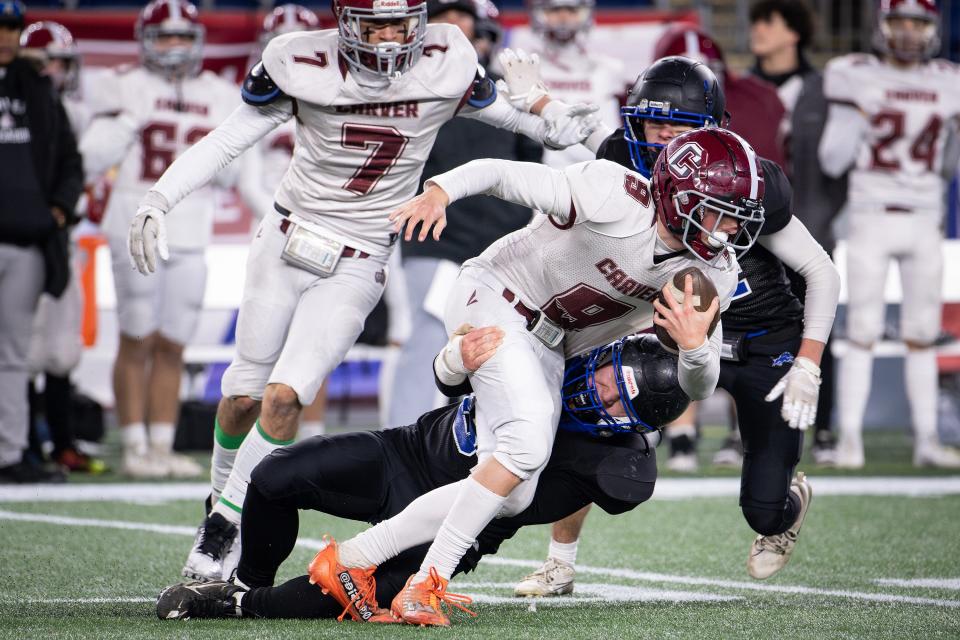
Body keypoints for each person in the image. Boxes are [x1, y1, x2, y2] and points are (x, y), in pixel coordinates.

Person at [125, 0, 601, 581]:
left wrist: (547, 108)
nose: (390, 37)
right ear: (344, 22)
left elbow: (535, 127)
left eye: (402, 23)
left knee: (285, 396)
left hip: (360, 255)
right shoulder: (299, 59)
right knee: (243, 395)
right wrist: (159, 198)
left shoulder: (445, 58)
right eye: (375, 23)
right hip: (284, 240)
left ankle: (224, 520)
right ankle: (221, 493)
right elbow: (228, 140)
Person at [310, 123, 763, 626]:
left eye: (736, 219)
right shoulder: (612, 192)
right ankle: (424, 584)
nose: (727, 231)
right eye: (719, 213)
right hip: (497, 294)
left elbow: (698, 386)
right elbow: (500, 173)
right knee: (526, 446)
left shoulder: (715, 272)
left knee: (516, 492)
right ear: (678, 196)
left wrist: (696, 347)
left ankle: (351, 559)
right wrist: (441, 190)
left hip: (549, 345)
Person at [513, 55, 839, 596]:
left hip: (760, 337)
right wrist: (539, 101)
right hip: (666, 330)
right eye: (653, 123)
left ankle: (786, 505)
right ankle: (560, 562)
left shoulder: (747, 178)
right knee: (598, 417)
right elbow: (585, 132)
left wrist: (807, 361)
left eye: (679, 127)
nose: (663, 140)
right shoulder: (625, 153)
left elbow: (820, 270)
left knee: (763, 510)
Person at [155, 329, 690, 621]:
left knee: (346, 594)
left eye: (620, 400)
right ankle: (250, 577)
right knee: (273, 476)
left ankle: (238, 603)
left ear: (634, 426)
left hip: (453, 526)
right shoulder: (557, 344)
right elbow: (450, 379)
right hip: (407, 452)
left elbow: (498, 499)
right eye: (608, 377)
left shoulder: (617, 466)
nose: (600, 393)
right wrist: (458, 355)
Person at [79, 0, 240, 479]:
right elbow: (90, 158)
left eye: (182, 37)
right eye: (164, 36)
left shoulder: (218, 93)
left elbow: (230, 175)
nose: (174, 47)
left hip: (191, 229)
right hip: (134, 222)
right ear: (145, 40)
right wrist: (130, 119)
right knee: (137, 337)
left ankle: (161, 445)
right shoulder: (121, 84)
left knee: (173, 342)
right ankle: (133, 444)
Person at [820, 0, 960, 469]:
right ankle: (851, 442)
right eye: (898, 20)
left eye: (917, 22)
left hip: (924, 216)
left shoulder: (949, 80)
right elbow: (832, 160)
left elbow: (948, 165)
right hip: (870, 212)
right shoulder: (854, 73)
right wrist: (858, 116)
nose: (907, 31)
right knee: (861, 330)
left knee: (921, 332)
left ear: (931, 28)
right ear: (881, 26)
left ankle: (925, 442)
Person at [389, 0, 543, 426]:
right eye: (447, 24)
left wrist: (540, 105)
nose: (462, 38)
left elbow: (532, 166)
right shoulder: (409, 91)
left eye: (469, 30)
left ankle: (490, 441)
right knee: (426, 339)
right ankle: (405, 439)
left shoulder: (504, 95)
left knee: (502, 347)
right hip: (435, 241)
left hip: (500, 249)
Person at [648, 24, 789, 471]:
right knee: (668, 314)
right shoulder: (624, 151)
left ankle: (733, 432)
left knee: (733, 320)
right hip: (664, 253)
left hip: (731, 253)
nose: (669, 131)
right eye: (661, 119)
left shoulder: (744, 157)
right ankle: (678, 431)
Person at [748, 0, 847, 466]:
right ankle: (743, 431)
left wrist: (830, 217)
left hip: (808, 219)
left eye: (768, 22)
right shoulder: (739, 89)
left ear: (795, 32)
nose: (757, 31)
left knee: (818, 319)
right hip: (753, 224)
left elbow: (836, 163)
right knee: (748, 321)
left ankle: (823, 425)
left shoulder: (823, 89)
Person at [0, 0, 84, 484]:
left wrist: (56, 209)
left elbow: (71, 161)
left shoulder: (38, 87)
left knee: (13, 354)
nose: (7, 35)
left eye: (13, 26)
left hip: (28, 242)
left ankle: (9, 454)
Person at [19, 20, 106, 475]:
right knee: (21, 349)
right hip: (24, 238)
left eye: (60, 62)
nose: (54, 70)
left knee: (62, 348)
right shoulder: (18, 109)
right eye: (45, 62)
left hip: (63, 241)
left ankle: (62, 441)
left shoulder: (76, 113)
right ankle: (24, 444)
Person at [520, 0, 627, 168]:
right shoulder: (526, 65)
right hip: (546, 166)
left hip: (598, 165)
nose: (563, 17)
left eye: (571, 10)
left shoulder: (609, 68)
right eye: (555, 10)